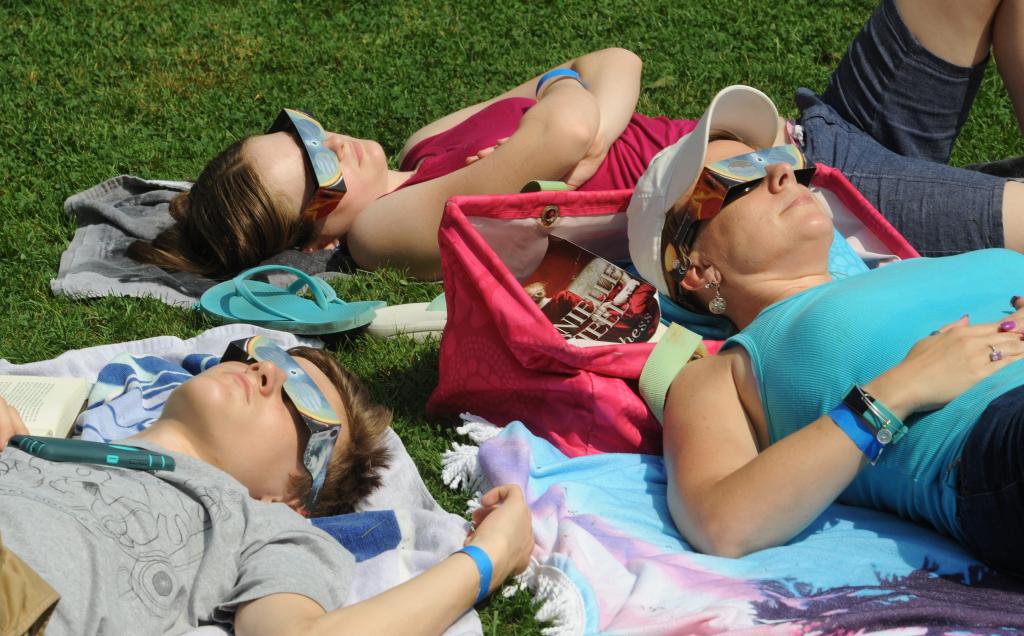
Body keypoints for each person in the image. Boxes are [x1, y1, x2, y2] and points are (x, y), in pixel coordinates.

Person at [128, 0, 1024, 283]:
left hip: (804, 132)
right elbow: (568, 111)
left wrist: (577, 123)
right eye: (320, 171)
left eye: (303, 131)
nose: (338, 144)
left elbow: (614, 58)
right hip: (801, 193)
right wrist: (575, 118)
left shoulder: (425, 141)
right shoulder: (383, 231)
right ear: (320, 236)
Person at [626, 73, 1024, 577]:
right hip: (995, 440)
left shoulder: (908, 266)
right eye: (737, 176)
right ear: (698, 268)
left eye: (779, 159)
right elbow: (721, 522)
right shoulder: (724, 371)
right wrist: (897, 392)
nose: (781, 176)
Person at [0, 337, 533, 635]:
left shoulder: (264, 527)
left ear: (291, 499)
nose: (266, 373)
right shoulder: (46, 441)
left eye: (303, 403)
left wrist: (488, 558)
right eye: (265, 356)